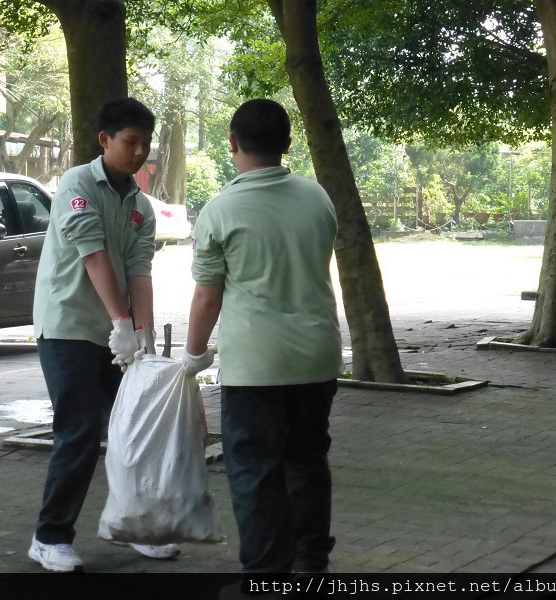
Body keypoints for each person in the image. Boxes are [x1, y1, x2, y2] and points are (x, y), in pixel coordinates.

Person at [183, 99, 343, 580]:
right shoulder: (318, 198)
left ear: (232, 143)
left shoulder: (220, 209)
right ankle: (310, 564)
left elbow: (207, 297)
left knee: (254, 472)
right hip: (317, 358)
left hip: (255, 366)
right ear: (287, 144)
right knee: (307, 463)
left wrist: (193, 355)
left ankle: (265, 575)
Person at [29, 97, 180, 573]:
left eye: (145, 144)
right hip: (68, 327)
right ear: (105, 140)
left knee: (134, 432)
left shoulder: (140, 206)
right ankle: (49, 538)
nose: (139, 152)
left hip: (120, 337)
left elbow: (139, 269)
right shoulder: (77, 183)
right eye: (130, 142)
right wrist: (120, 323)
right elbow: (92, 255)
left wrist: (144, 332)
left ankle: (136, 528)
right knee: (79, 431)